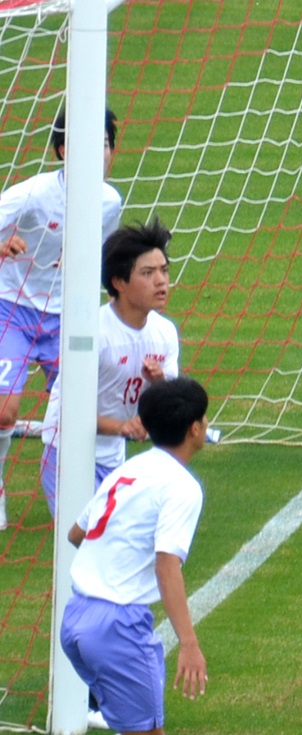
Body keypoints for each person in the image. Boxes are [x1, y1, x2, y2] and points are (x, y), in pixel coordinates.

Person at [59, 376, 210, 735]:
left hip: (76, 618)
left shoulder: (126, 471)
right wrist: (189, 644)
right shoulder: (182, 487)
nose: (206, 425)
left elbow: (77, 533)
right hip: (117, 628)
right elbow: (166, 566)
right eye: (204, 419)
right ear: (193, 429)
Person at [0, 107, 122, 530]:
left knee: (86, 410)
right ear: (62, 149)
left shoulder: (109, 203)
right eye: (87, 144)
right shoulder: (32, 195)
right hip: (12, 308)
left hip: (68, 319)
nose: (98, 153)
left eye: (104, 145)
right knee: (5, 412)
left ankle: (84, 495)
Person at [40, 218, 179, 517]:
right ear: (118, 282)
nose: (161, 281)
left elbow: (170, 403)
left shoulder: (164, 333)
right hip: (67, 453)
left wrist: (160, 382)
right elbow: (70, 412)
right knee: (83, 548)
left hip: (113, 456)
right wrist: (122, 427)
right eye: (148, 272)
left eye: (164, 271)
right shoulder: (94, 334)